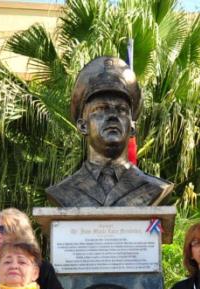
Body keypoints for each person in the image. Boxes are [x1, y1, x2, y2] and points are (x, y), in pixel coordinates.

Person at [46, 56, 172, 207]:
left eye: (122, 110)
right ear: (83, 126)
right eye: (101, 109)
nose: (113, 115)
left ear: (132, 127)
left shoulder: (155, 189)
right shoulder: (63, 191)